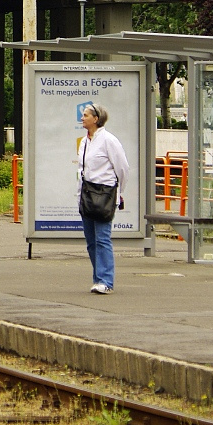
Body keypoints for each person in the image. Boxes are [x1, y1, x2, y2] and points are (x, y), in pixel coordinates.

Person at [77, 103, 129, 295]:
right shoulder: (84, 142)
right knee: (91, 240)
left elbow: (122, 168)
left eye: (85, 115)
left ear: (96, 119)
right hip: (87, 193)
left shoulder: (109, 140)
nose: (82, 118)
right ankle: (98, 278)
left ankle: (106, 280)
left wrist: (117, 191)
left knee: (102, 239)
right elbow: (81, 169)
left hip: (104, 193)